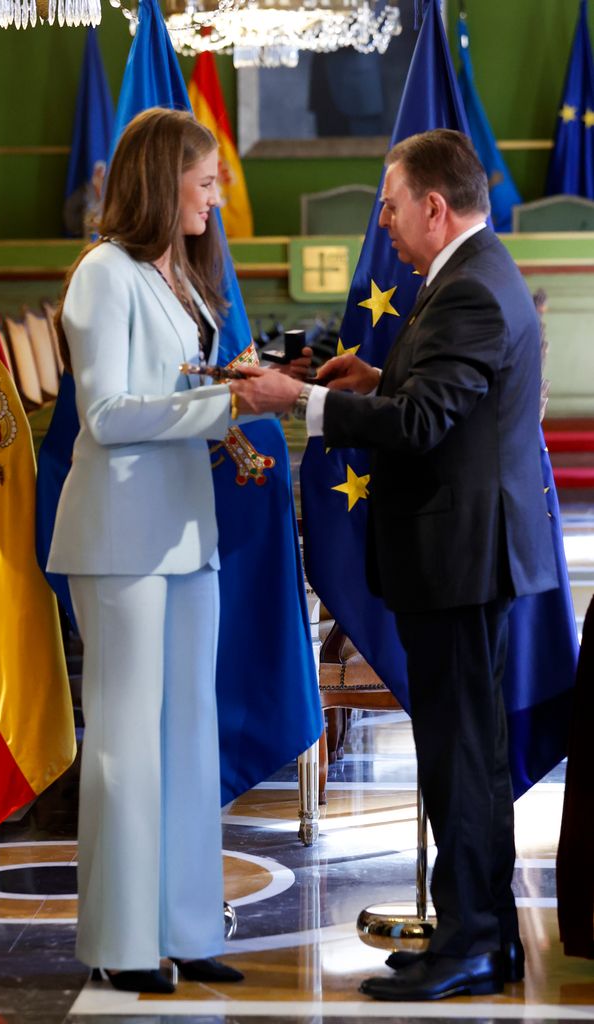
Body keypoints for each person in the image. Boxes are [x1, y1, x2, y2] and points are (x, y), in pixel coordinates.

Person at [231, 128, 559, 1001]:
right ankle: (473, 934)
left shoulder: (471, 291)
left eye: (390, 203)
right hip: (461, 556)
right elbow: (439, 398)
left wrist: (301, 400)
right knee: (463, 755)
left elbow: (426, 428)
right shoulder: (464, 277)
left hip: (462, 560)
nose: (384, 220)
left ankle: (477, 945)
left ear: (434, 207)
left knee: (464, 758)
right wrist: (375, 378)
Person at [47, 107, 246, 994]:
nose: (217, 195)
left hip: (185, 530)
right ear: (161, 180)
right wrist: (231, 408)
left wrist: (231, 402)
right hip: (121, 536)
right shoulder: (104, 273)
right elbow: (106, 416)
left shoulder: (185, 280)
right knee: (127, 738)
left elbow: (176, 397)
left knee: (189, 733)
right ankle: (124, 943)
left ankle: (190, 926)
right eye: (205, 180)